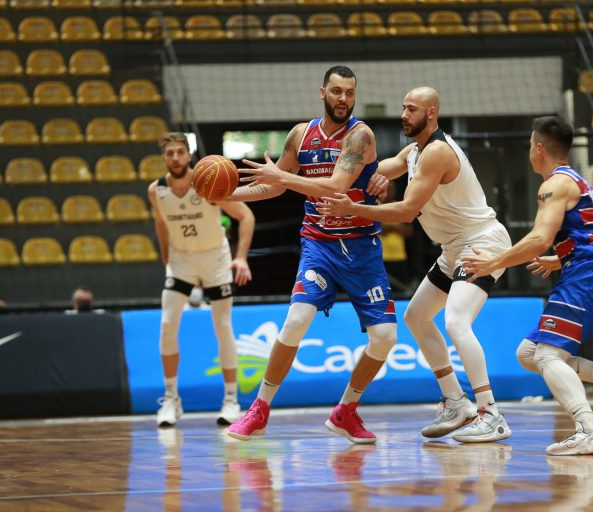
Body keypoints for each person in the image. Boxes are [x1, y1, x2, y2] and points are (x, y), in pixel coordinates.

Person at [317, 86, 512, 442]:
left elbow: (407, 211)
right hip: (453, 248)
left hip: (481, 243)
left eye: (411, 109)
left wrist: (352, 208)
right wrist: (339, 168)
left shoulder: (437, 152)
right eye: (404, 108)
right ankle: (456, 402)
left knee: (456, 321)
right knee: (416, 316)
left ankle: (491, 413)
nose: (404, 115)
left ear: (431, 113)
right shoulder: (416, 151)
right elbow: (379, 168)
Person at [225, 65, 398, 444]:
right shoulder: (300, 135)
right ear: (323, 93)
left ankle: (346, 410)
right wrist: (228, 194)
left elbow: (335, 185)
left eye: (350, 93)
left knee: (385, 337)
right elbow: (272, 188)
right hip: (319, 244)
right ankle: (259, 409)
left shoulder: (360, 136)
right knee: (295, 320)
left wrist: (283, 178)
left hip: (362, 247)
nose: (343, 99)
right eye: (337, 91)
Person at [461, 116, 593, 455]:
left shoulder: (553, 185)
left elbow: (539, 238)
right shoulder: (580, 183)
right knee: (528, 353)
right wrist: (561, 258)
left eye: (530, 145)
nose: (529, 152)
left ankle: (588, 430)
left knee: (547, 355)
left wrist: (493, 262)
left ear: (539, 148)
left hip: (587, 275)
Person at [148, 132, 256, 428]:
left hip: (215, 260)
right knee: (167, 324)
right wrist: (166, 257)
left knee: (222, 326)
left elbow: (246, 217)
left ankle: (231, 400)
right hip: (181, 261)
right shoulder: (156, 190)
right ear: (164, 157)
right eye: (169, 153)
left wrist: (241, 257)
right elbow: (160, 223)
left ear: (188, 154)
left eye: (179, 152)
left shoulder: (208, 182)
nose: (175, 158)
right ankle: (171, 399)